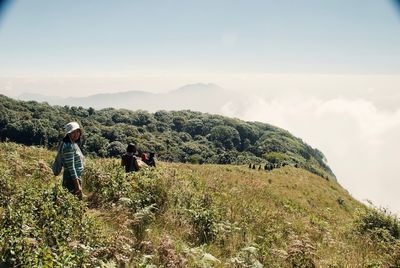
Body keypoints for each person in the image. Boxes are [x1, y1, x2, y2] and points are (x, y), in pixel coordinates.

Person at [61, 122, 84, 199]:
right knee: (72, 202)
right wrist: (77, 186)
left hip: (75, 178)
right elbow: (71, 168)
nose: (76, 134)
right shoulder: (68, 147)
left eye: (77, 131)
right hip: (71, 180)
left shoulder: (73, 144)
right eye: (73, 132)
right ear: (68, 134)